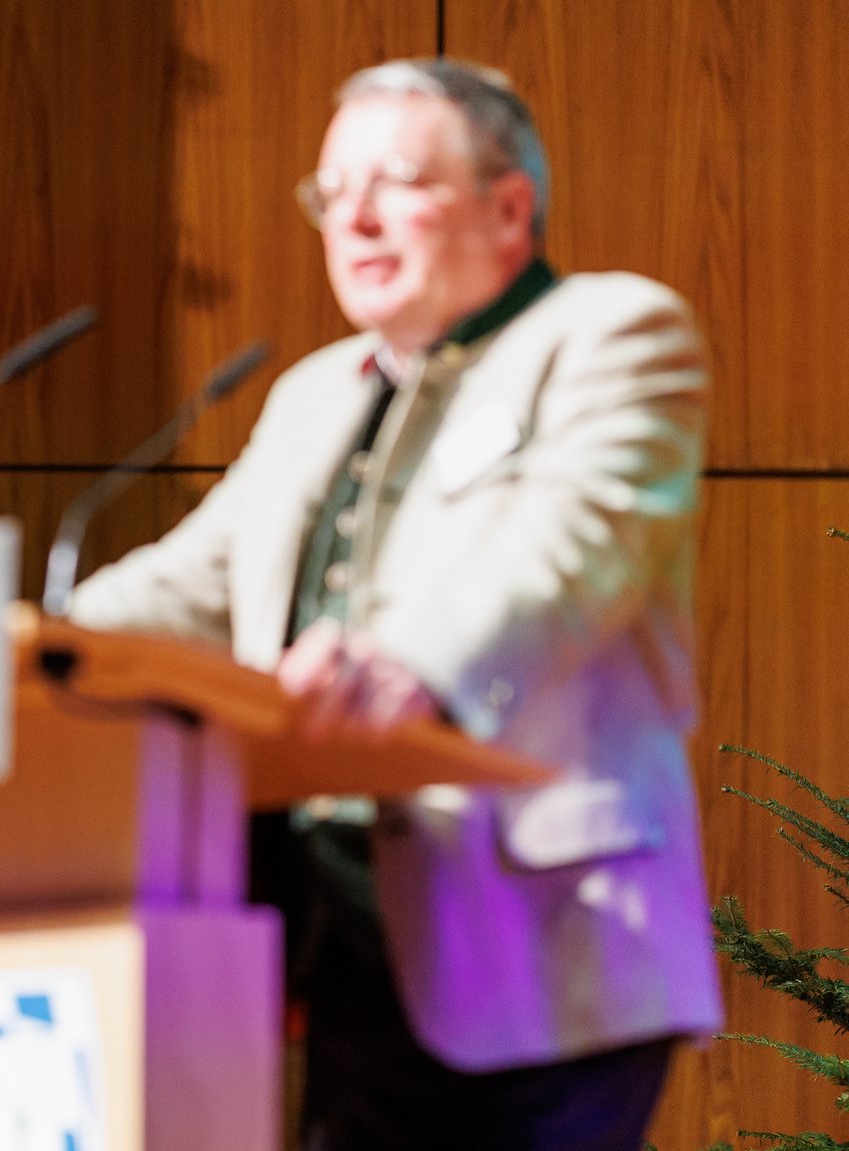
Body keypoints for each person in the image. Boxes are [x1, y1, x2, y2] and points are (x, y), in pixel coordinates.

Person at [69, 59, 722, 1151]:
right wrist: (17, 643)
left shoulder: (610, 334)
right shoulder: (311, 391)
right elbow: (194, 581)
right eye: (330, 191)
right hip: (336, 945)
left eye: (394, 181)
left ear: (506, 206)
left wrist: (410, 662)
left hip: (548, 934)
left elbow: (568, 548)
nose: (353, 216)